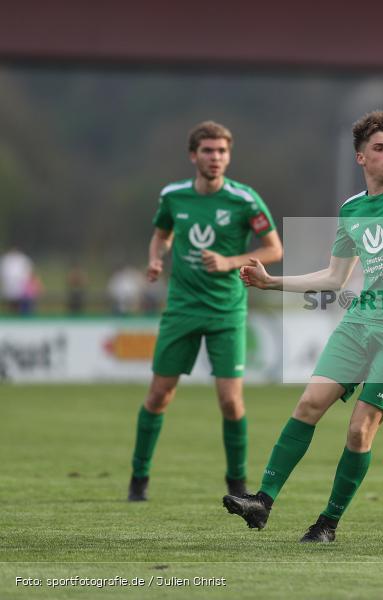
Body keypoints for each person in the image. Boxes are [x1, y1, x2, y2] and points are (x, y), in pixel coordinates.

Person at [222, 110, 383, 543]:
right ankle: (262, 502)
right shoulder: (352, 210)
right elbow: (333, 277)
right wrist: (272, 282)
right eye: (380, 149)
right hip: (360, 320)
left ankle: (328, 523)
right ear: (360, 157)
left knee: (360, 428)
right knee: (308, 404)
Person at [127, 121, 283, 501]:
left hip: (226, 311)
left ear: (229, 156)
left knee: (230, 401)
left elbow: (273, 250)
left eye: (222, 152)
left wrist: (230, 261)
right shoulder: (173, 196)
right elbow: (161, 234)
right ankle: (138, 480)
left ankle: (236, 483)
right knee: (159, 395)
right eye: (209, 151)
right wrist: (154, 259)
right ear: (193, 155)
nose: (216, 158)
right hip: (181, 309)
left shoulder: (245, 200)